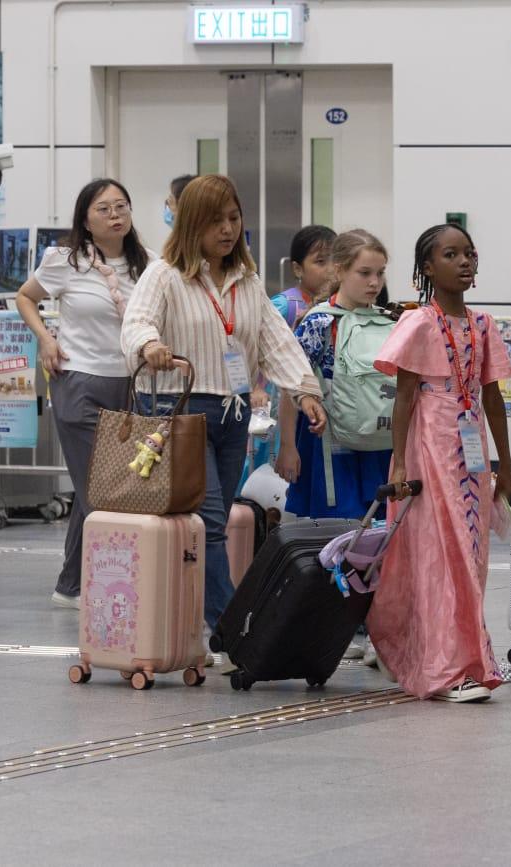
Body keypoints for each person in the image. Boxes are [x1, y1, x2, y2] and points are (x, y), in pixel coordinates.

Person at [121, 174, 327, 630]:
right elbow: (136, 323)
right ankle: (230, 627)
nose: (228, 229)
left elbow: (277, 342)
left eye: (234, 218)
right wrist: (149, 345)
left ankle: (196, 620)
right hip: (179, 412)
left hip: (234, 413)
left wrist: (305, 391)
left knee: (208, 523)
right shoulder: (165, 274)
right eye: (216, 221)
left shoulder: (246, 281)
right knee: (211, 520)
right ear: (192, 223)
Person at [367, 223, 511, 703]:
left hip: (471, 452)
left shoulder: (483, 324)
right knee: (439, 556)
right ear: (427, 268)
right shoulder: (418, 323)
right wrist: (399, 465)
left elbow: (493, 398)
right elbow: (404, 399)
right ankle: (445, 668)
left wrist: (505, 464)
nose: (465, 261)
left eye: (469, 253)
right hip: (429, 445)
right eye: (451, 255)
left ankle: (467, 661)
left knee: (471, 558)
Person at [15, 178, 155, 609]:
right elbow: (25, 297)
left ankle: (71, 585)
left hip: (129, 387)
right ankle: (107, 585)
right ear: (86, 220)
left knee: (93, 486)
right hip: (78, 383)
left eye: (121, 206)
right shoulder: (65, 261)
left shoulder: (150, 265)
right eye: (104, 209)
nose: (115, 215)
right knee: (104, 486)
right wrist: (45, 338)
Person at [281, 229, 394, 519]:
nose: (374, 282)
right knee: (337, 526)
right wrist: (287, 446)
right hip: (329, 443)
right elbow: (290, 383)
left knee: (379, 526)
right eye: (364, 273)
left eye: (380, 273)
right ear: (340, 270)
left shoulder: (387, 321)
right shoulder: (319, 322)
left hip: (377, 441)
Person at [239, 225, 338, 493]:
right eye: (320, 261)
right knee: (266, 474)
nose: (329, 269)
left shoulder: (336, 307)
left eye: (334, 260)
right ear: (297, 268)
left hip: (312, 404)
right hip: (275, 403)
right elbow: (251, 345)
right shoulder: (285, 305)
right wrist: (254, 387)